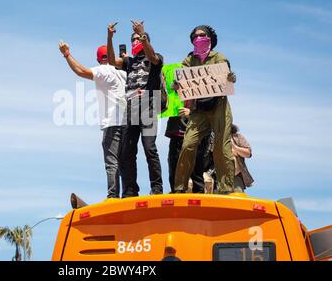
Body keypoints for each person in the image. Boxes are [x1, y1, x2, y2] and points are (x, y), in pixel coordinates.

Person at [59, 41, 127, 199]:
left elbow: (81, 71)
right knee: (126, 161)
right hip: (129, 123)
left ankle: (113, 196)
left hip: (112, 123)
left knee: (112, 162)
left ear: (98, 60)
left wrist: (67, 54)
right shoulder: (125, 72)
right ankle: (129, 193)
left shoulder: (104, 70)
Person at [174, 25, 237, 194]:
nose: (198, 38)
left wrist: (231, 77)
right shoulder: (189, 60)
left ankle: (226, 187)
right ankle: (179, 186)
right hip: (199, 109)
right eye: (195, 36)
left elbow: (228, 78)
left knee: (221, 148)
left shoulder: (219, 58)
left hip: (219, 107)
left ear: (210, 38)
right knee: (188, 144)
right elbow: (182, 79)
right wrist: (177, 84)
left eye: (202, 35)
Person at [107, 21, 164, 197]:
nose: (134, 41)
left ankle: (156, 189)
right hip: (131, 108)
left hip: (148, 107)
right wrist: (109, 37)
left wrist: (143, 34)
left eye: (137, 39)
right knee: (127, 152)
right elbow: (110, 60)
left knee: (149, 148)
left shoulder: (155, 58)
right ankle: (130, 190)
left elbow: (153, 57)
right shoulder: (129, 61)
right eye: (133, 39)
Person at [231, 124, 254, 192]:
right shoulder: (213, 137)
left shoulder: (238, 137)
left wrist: (235, 147)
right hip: (217, 177)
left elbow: (248, 153)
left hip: (235, 177)